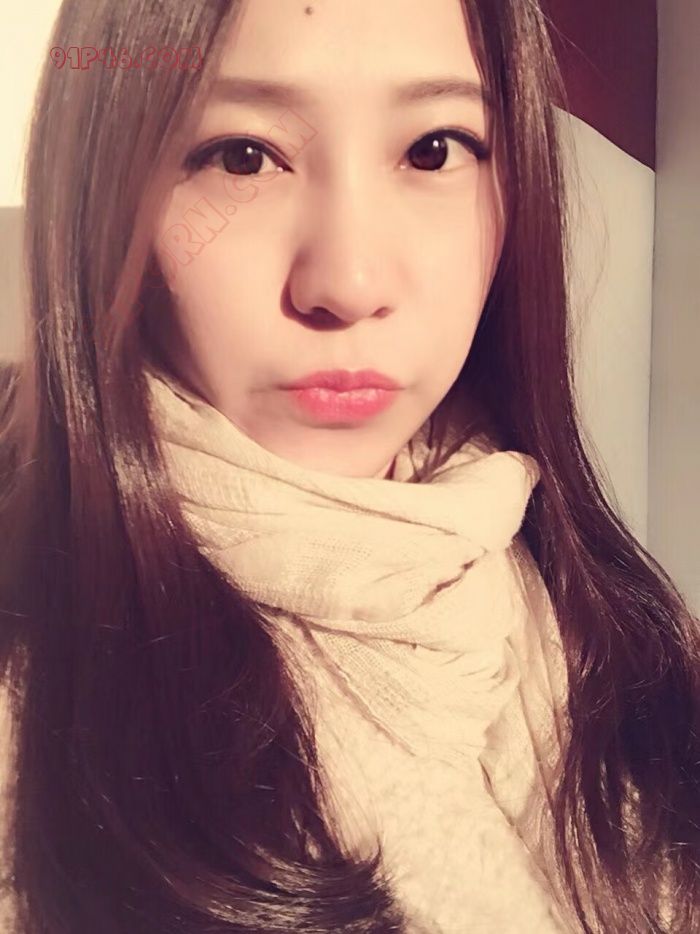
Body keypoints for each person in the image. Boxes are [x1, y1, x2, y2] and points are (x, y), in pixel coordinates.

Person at [0, 1, 698, 931]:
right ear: (101, 186)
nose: (348, 284)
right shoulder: (36, 717)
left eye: (434, 151)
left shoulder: (627, 632)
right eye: (242, 155)